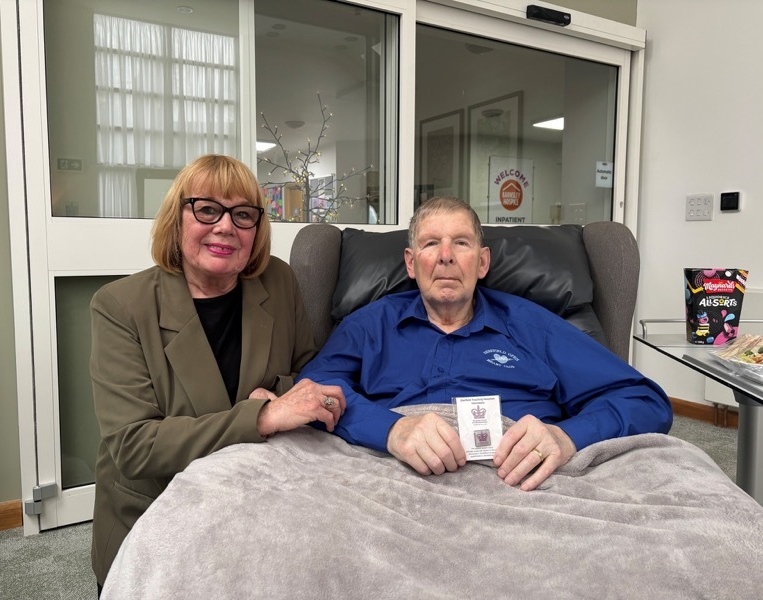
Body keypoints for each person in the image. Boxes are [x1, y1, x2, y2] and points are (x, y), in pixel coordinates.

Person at [89, 154, 345, 590]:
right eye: (207, 209)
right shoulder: (120, 306)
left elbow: (307, 374)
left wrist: (287, 397)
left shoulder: (278, 281)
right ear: (177, 220)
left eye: (243, 214)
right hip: (158, 519)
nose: (225, 227)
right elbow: (133, 447)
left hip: (258, 501)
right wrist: (262, 416)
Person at [298, 196, 672, 491]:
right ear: (411, 263)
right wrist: (390, 430)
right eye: (431, 244)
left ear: (482, 262)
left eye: (460, 243)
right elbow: (310, 393)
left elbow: (644, 401)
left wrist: (566, 436)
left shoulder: (532, 325)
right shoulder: (367, 324)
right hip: (392, 477)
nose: (445, 256)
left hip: (519, 482)